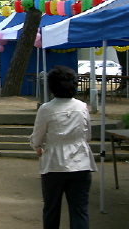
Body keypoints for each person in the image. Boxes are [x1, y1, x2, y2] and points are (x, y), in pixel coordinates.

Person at [30, 65, 97, 229]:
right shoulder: (82, 107)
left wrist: (37, 148)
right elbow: (87, 135)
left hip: (54, 164)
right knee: (79, 210)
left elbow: (37, 137)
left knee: (51, 209)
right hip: (81, 163)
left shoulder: (46, 109)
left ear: (51, 86)